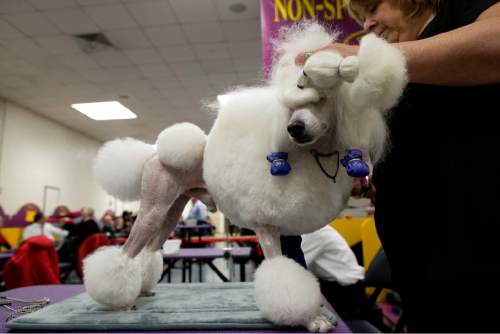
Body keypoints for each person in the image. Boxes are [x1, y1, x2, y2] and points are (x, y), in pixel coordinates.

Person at [295, 1, 500, 331]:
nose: (369, 24)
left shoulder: (458, 11)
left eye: (374, 6)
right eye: (362, 19)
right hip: (422, 282)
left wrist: (367, 60)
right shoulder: (389, 86)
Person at [301, 225, 366, 320]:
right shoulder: (311, 228)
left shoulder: (313, 232)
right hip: (333, 286)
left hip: (345, 293)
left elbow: (295, 266)